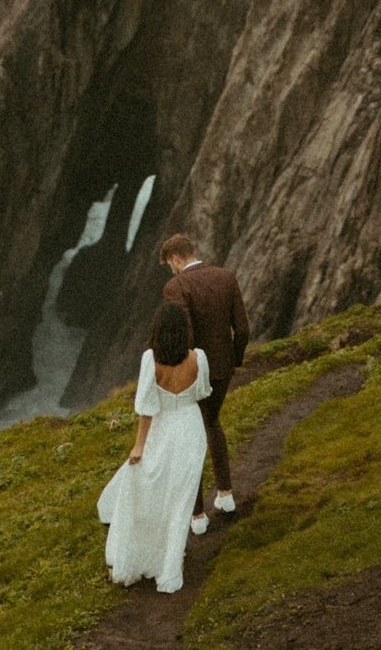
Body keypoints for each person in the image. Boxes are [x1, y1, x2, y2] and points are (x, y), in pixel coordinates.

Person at [97, 303, 212, 593]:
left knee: (152, 495)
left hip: (162, 429)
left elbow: (146, 407)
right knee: (180, 502)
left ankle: (144, 554)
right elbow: (202, 392)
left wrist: (139, 446)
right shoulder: (199, 358)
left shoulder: (151, 359)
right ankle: (170, 568)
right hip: (190, 429)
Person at [158, 233, 249, 534]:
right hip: (222, 369)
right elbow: (243, 329)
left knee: (191, 437)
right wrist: (234, 359)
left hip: (194, 373)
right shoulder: (226, 277)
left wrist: (185, 371)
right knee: (212, 424)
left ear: (176, 258)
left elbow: (186, 334)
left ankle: (197, 514)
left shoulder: (176, 286)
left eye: (169, 264)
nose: (171, 270)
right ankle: (225, 495)